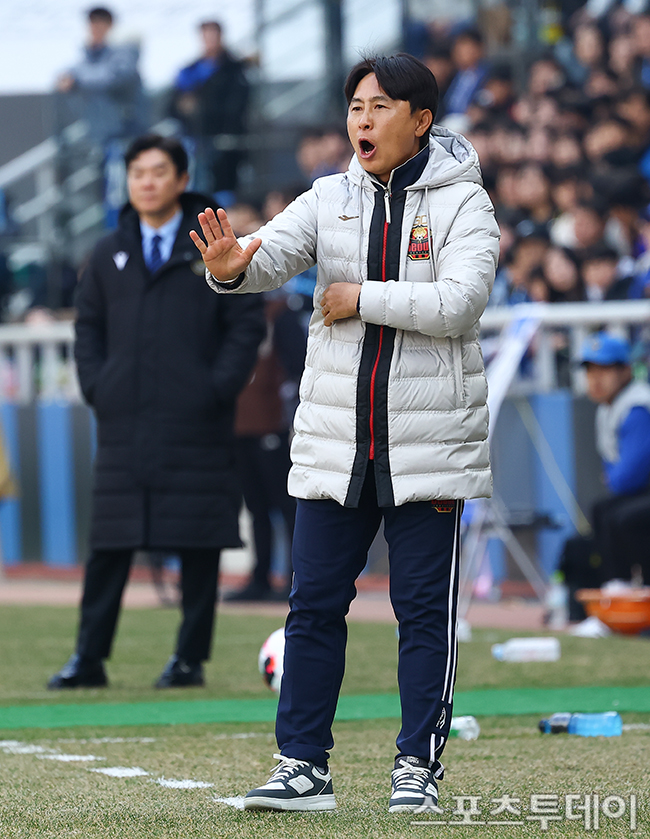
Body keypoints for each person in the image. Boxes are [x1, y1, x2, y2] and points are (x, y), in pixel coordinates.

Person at [191, 54, 499, 812]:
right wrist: (229, 269)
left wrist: (359, 298)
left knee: (422, 615)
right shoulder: (328, 196)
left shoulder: (466, 203)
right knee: (313, 607)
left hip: (428, 446)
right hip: (337, 444)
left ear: (421, 121)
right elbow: (266, 257)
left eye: (380, 106)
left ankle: (416, 768)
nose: (362, 119)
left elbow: (461, 303)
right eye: (356, 106)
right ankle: (302, 766)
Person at [48, 135, 264, 691]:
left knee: (198, 542)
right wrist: (99, 386)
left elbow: (245, 325)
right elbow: (87, 329)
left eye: (158, 171)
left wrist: (215, 389)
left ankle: (189, 660)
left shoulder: (211, 246)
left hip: (197, 421)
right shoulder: (106, 253)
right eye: (137, 173)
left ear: (182, 179)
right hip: (123, 422)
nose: (146, 182)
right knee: (109, 544)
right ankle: (88, 659)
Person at [582, 333, 650, 586]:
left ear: (625, 371)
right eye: (590, 371)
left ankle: (635, 584)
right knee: (601, 509)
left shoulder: (637, 406)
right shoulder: (609, 407)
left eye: (605, 370)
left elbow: (628, 478)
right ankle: (615, 584)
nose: (595, 379)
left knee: (623, 517)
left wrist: (613, 477)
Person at [169, 21, 249, 201]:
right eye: (206, 36)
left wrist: (199, 105)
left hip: (224, 141)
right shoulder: (190, 70)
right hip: (196, 141)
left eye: (213, 36)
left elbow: (236, 106)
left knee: (224, 189)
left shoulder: (233, 69)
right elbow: (173, 106)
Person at [57, 7, 146, 147]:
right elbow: (80, 69)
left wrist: (76, 80)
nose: (94, 29)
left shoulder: (125, 49)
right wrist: (68, 76)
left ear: (111, 26)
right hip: (100, 130)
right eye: (92, 24)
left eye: (99, 24)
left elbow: (113, 77)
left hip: (125, 130)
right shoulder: (92, 53)